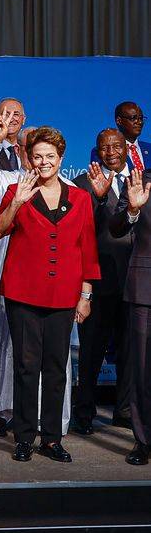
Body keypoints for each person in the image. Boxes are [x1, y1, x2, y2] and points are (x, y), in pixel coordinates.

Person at [0, 127, 99, 463]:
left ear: (61, 159)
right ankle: (24, 437)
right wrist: (17, 202)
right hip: (23, 294)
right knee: (26, 367)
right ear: (29, 158)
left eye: (50, 156)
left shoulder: (80, 197)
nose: (44, 162)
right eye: (38, 156)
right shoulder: (16, 190)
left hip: (64, 295)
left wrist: (86, 295)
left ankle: (51, 439)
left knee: (56, 368)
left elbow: (88, 249)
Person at [72, 130, 135, 433]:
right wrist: (98, 199)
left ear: (127, 149)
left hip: (134, 281)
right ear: (97, 152)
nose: (111, 152)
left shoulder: (140, 181)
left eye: (116, 146)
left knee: (130, 351)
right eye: (104, 147)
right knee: (91, 352)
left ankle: (124, 411)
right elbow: (79, 229)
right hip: (97, 281)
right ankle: (84, 412)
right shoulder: (83, 184)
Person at [112, 167, 151, 465]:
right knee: (142, 370)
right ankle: (144, 441)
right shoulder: (141, 180)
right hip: (145, 291)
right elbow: (116, 228)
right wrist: (133, 211)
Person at [93, 102, 150, 173]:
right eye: (133, 118)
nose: (139, 122)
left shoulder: (149, 148)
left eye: (141, 118)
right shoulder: (103, 152)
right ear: (119, 121)